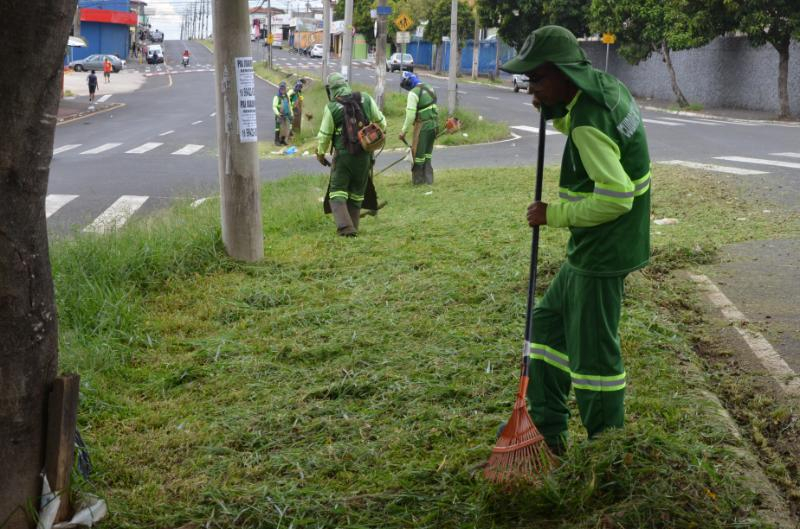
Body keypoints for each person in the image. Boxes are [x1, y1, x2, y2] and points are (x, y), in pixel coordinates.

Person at [500, 26, 652, 453]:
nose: (532, 88)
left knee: (594, 359)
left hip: (603, 252)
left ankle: (605, 449)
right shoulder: (603, 88)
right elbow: (595, 131)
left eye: (538, 78)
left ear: (564, 72)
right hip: (594, 247)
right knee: (546, 325)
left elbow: (618, 196)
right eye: (529, 79)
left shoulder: (588, 124)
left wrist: (553, 214)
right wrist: (553, 110)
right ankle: (548, 433)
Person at [316, 73, 386, 237]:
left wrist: (320, 153)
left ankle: (345, 228)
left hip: (343, 156)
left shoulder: (332, 107)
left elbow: (325, 135)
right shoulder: (366, 98)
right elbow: (381, 122)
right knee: (357, 193)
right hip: (365, 156)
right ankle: (353, 226)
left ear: (332, 90)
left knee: (337, 192)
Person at [398, 71, 438, 185]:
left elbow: (410, 116)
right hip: (434, 125)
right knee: (428, 154)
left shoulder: (413, 93)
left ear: (408, 83)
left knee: (418, 155)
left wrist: (403, 131)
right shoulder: (429, 87)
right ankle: (429, 180)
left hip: (423, 127)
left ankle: (418, 182)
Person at [272, 81, 293, 146]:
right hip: (279, 115)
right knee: (278, 128)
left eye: (284, 88)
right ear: (279, 88)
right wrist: (278, 113)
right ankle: (276, 141)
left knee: (285, 128)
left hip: (286, 115)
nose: (283, 89)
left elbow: (289, 106)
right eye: (281, 88)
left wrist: (291, 114)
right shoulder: (277, 97)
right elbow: (274, 106)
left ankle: (283, 140)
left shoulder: (287, 96)